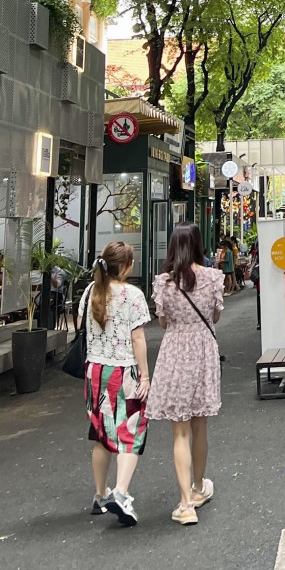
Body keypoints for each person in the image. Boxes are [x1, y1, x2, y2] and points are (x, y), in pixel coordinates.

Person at [146, 223, 224, 526]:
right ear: (197, 245)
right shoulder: (214, 277)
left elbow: (163, 322)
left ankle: (185, 503)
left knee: (179, 430)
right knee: (200, 425)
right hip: (203, 350)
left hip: (175, 350)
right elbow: (215, 315)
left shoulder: (164, 282)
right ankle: (198, 487)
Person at [79, 241, 151, 527]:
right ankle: (120, 492)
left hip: (94, 371)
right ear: (124, 267)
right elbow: (138, 339)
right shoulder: (133, 295)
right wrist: (145, 375)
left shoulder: (90, 291)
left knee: (101, 433)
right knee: (130, 431)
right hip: (122, 373)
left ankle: (100, 495)